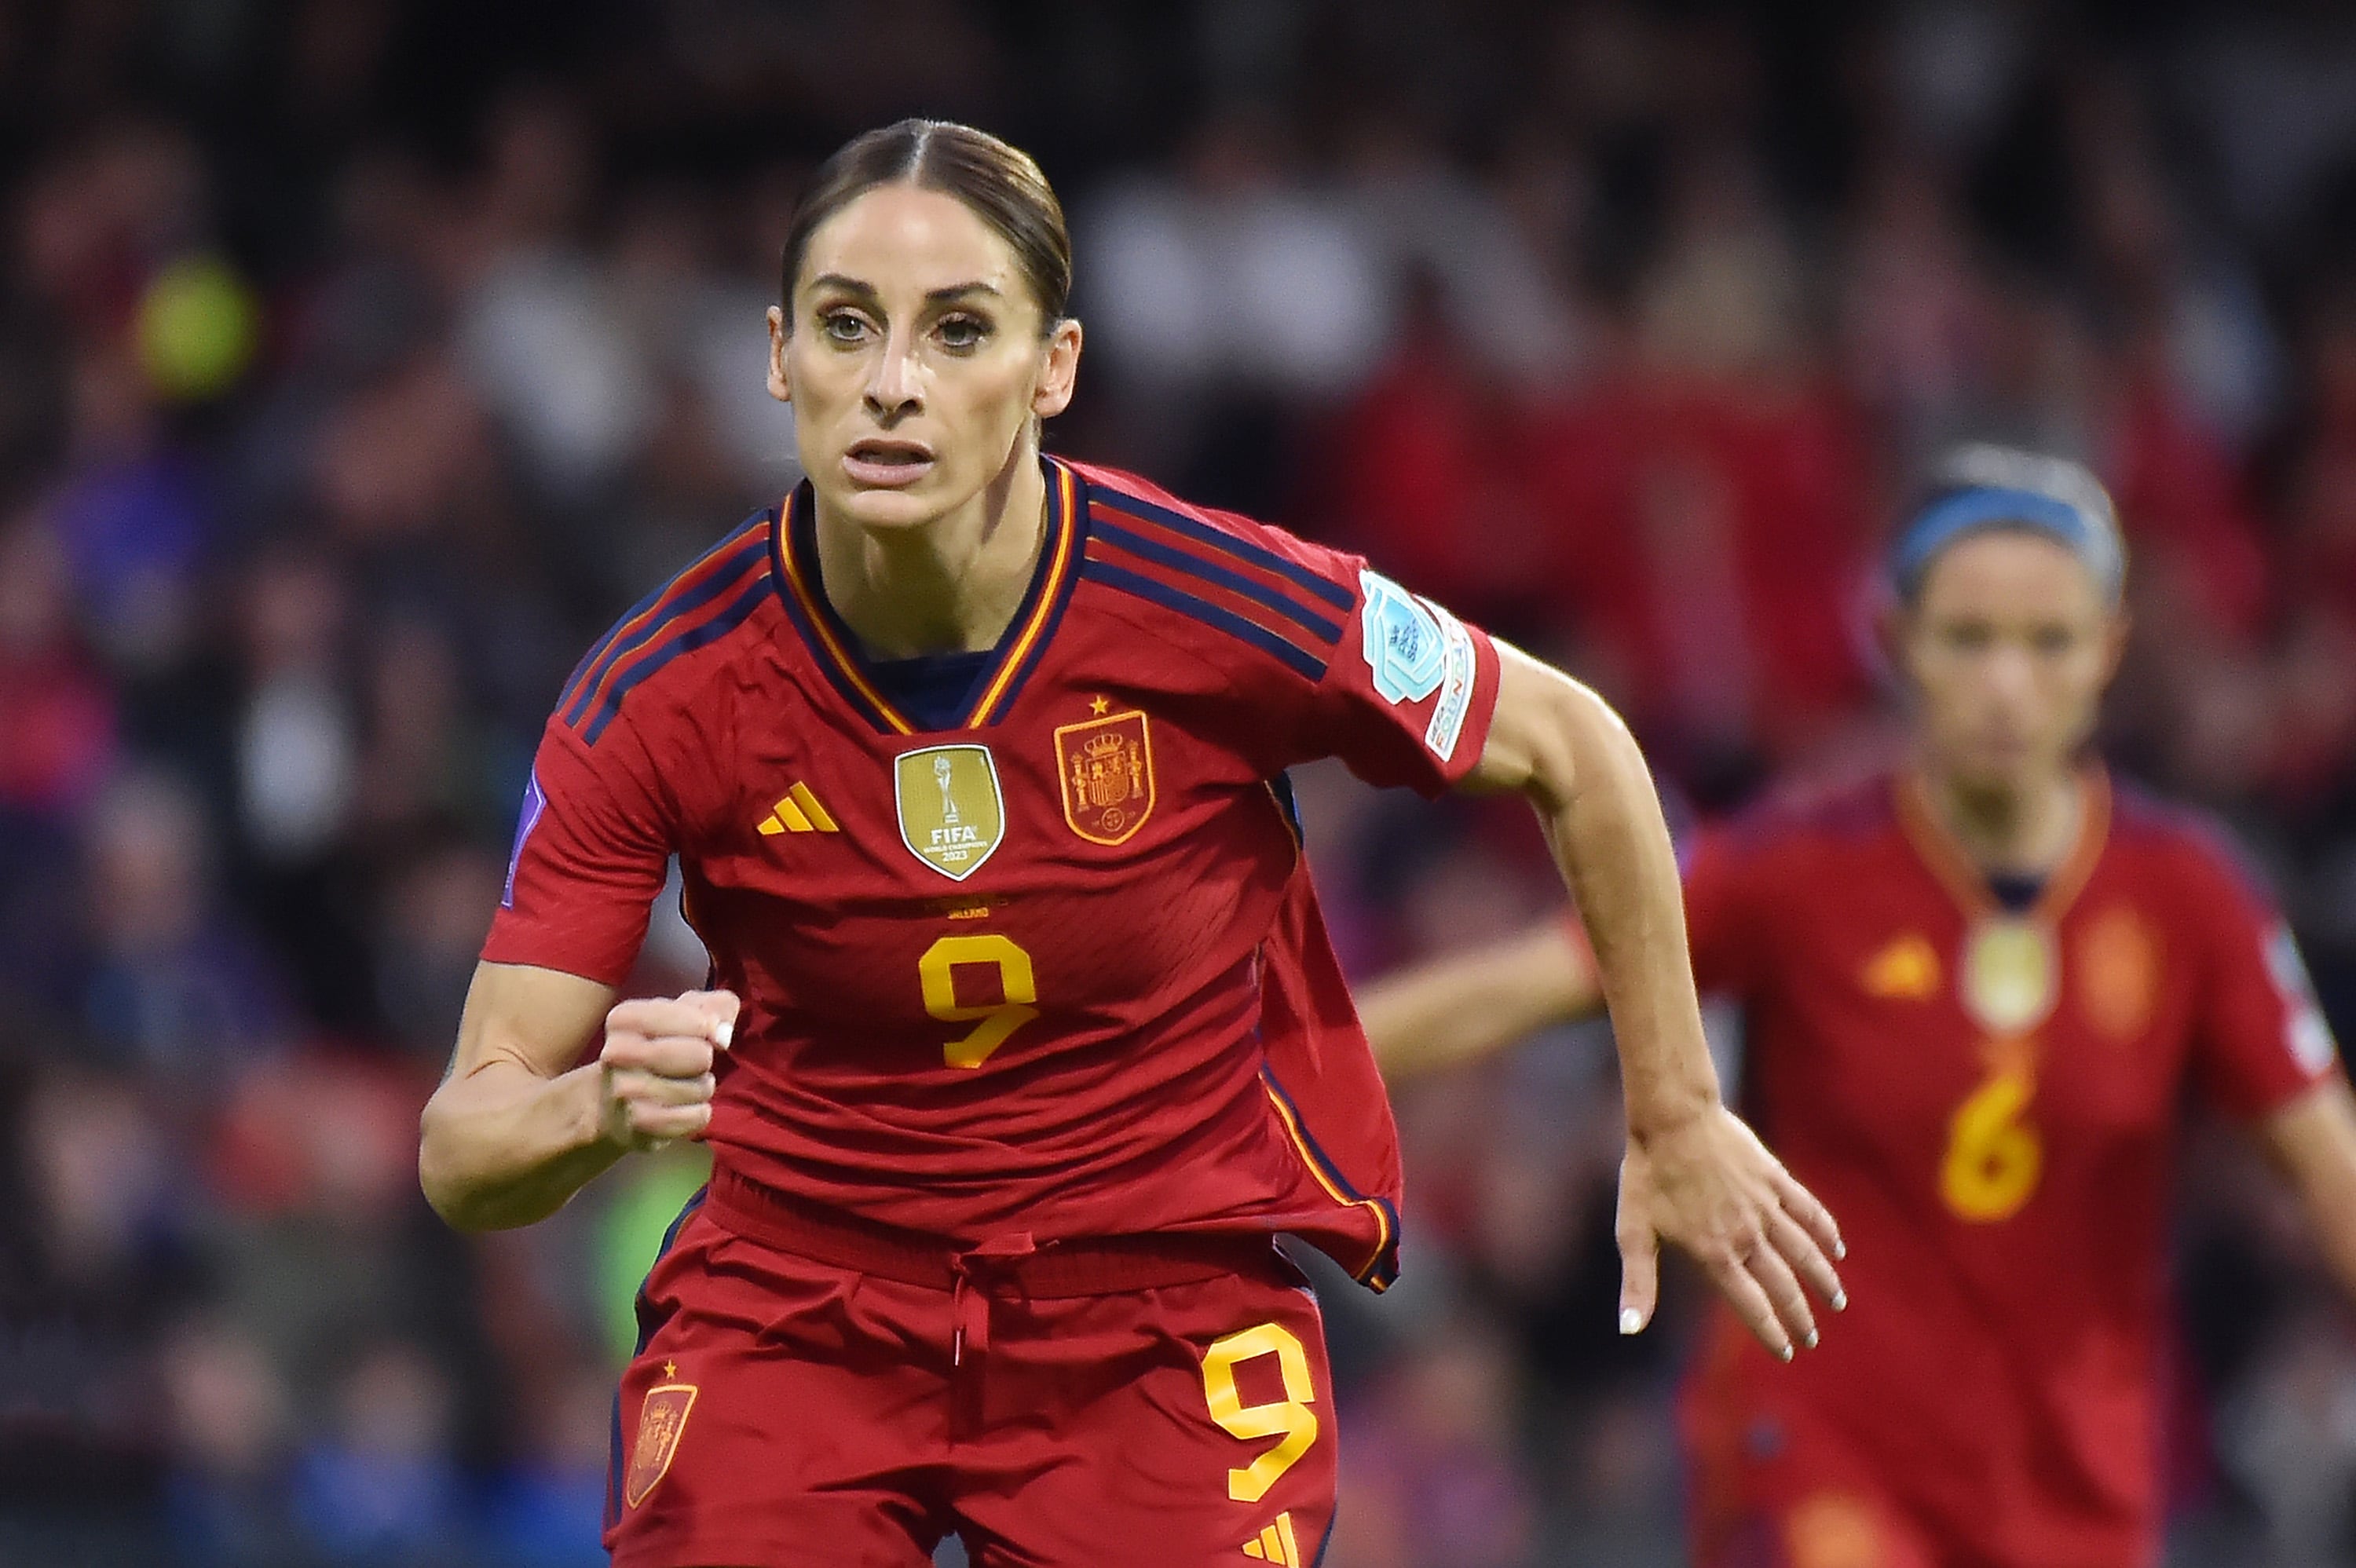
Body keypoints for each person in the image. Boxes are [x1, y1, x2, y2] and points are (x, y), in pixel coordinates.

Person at [415, 119, 1844, 1568]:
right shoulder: (659, 690)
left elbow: (1579, 747)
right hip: (799, 1305)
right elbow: (466, 1144)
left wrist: (1673, 1110)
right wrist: (596, 1108)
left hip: (1155, 1317)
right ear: (781, 356)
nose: (893, 384)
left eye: (958, 331)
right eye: (848, 326)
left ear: (1056, 369)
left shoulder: (1215, 604)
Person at [1355, 444, 2356, 1568]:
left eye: (2050, 641)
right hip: (1826, 1453)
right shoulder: (1798, 867)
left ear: (2109, 653)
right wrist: (1265, 1067)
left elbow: (2331, 1172)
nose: (2007, 682)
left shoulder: (2191, 899)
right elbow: (1525, 983)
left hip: (2078, 1484)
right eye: (1969, 638)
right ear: (1897, 643)